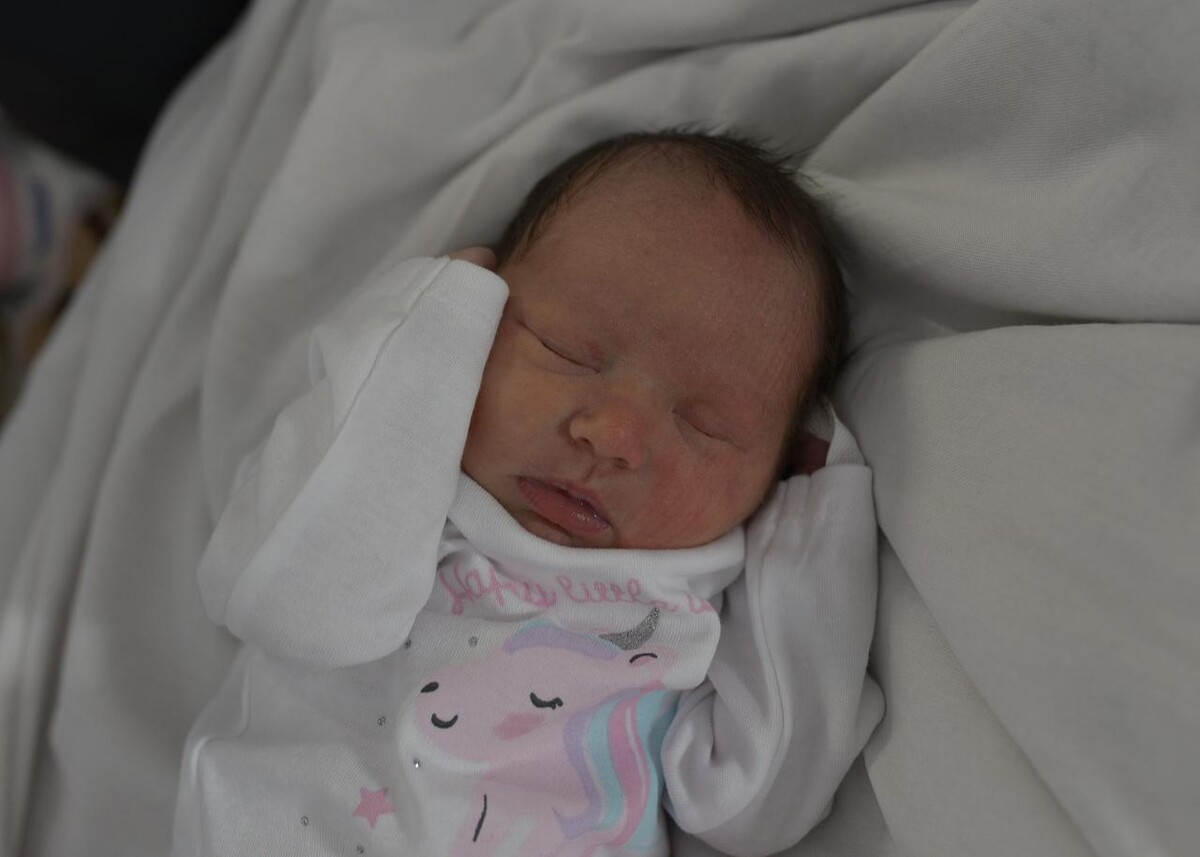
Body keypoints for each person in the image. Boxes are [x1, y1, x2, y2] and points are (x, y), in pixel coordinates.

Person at [170, 131, 882, 857]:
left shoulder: (687, 610)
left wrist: (811, 542)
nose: (613, 435)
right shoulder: (396, 478)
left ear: (773, 476)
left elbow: (755, 809)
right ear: (482, 316)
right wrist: (424, 340)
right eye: (566, 350)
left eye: (706, 424)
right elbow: (291, 606)